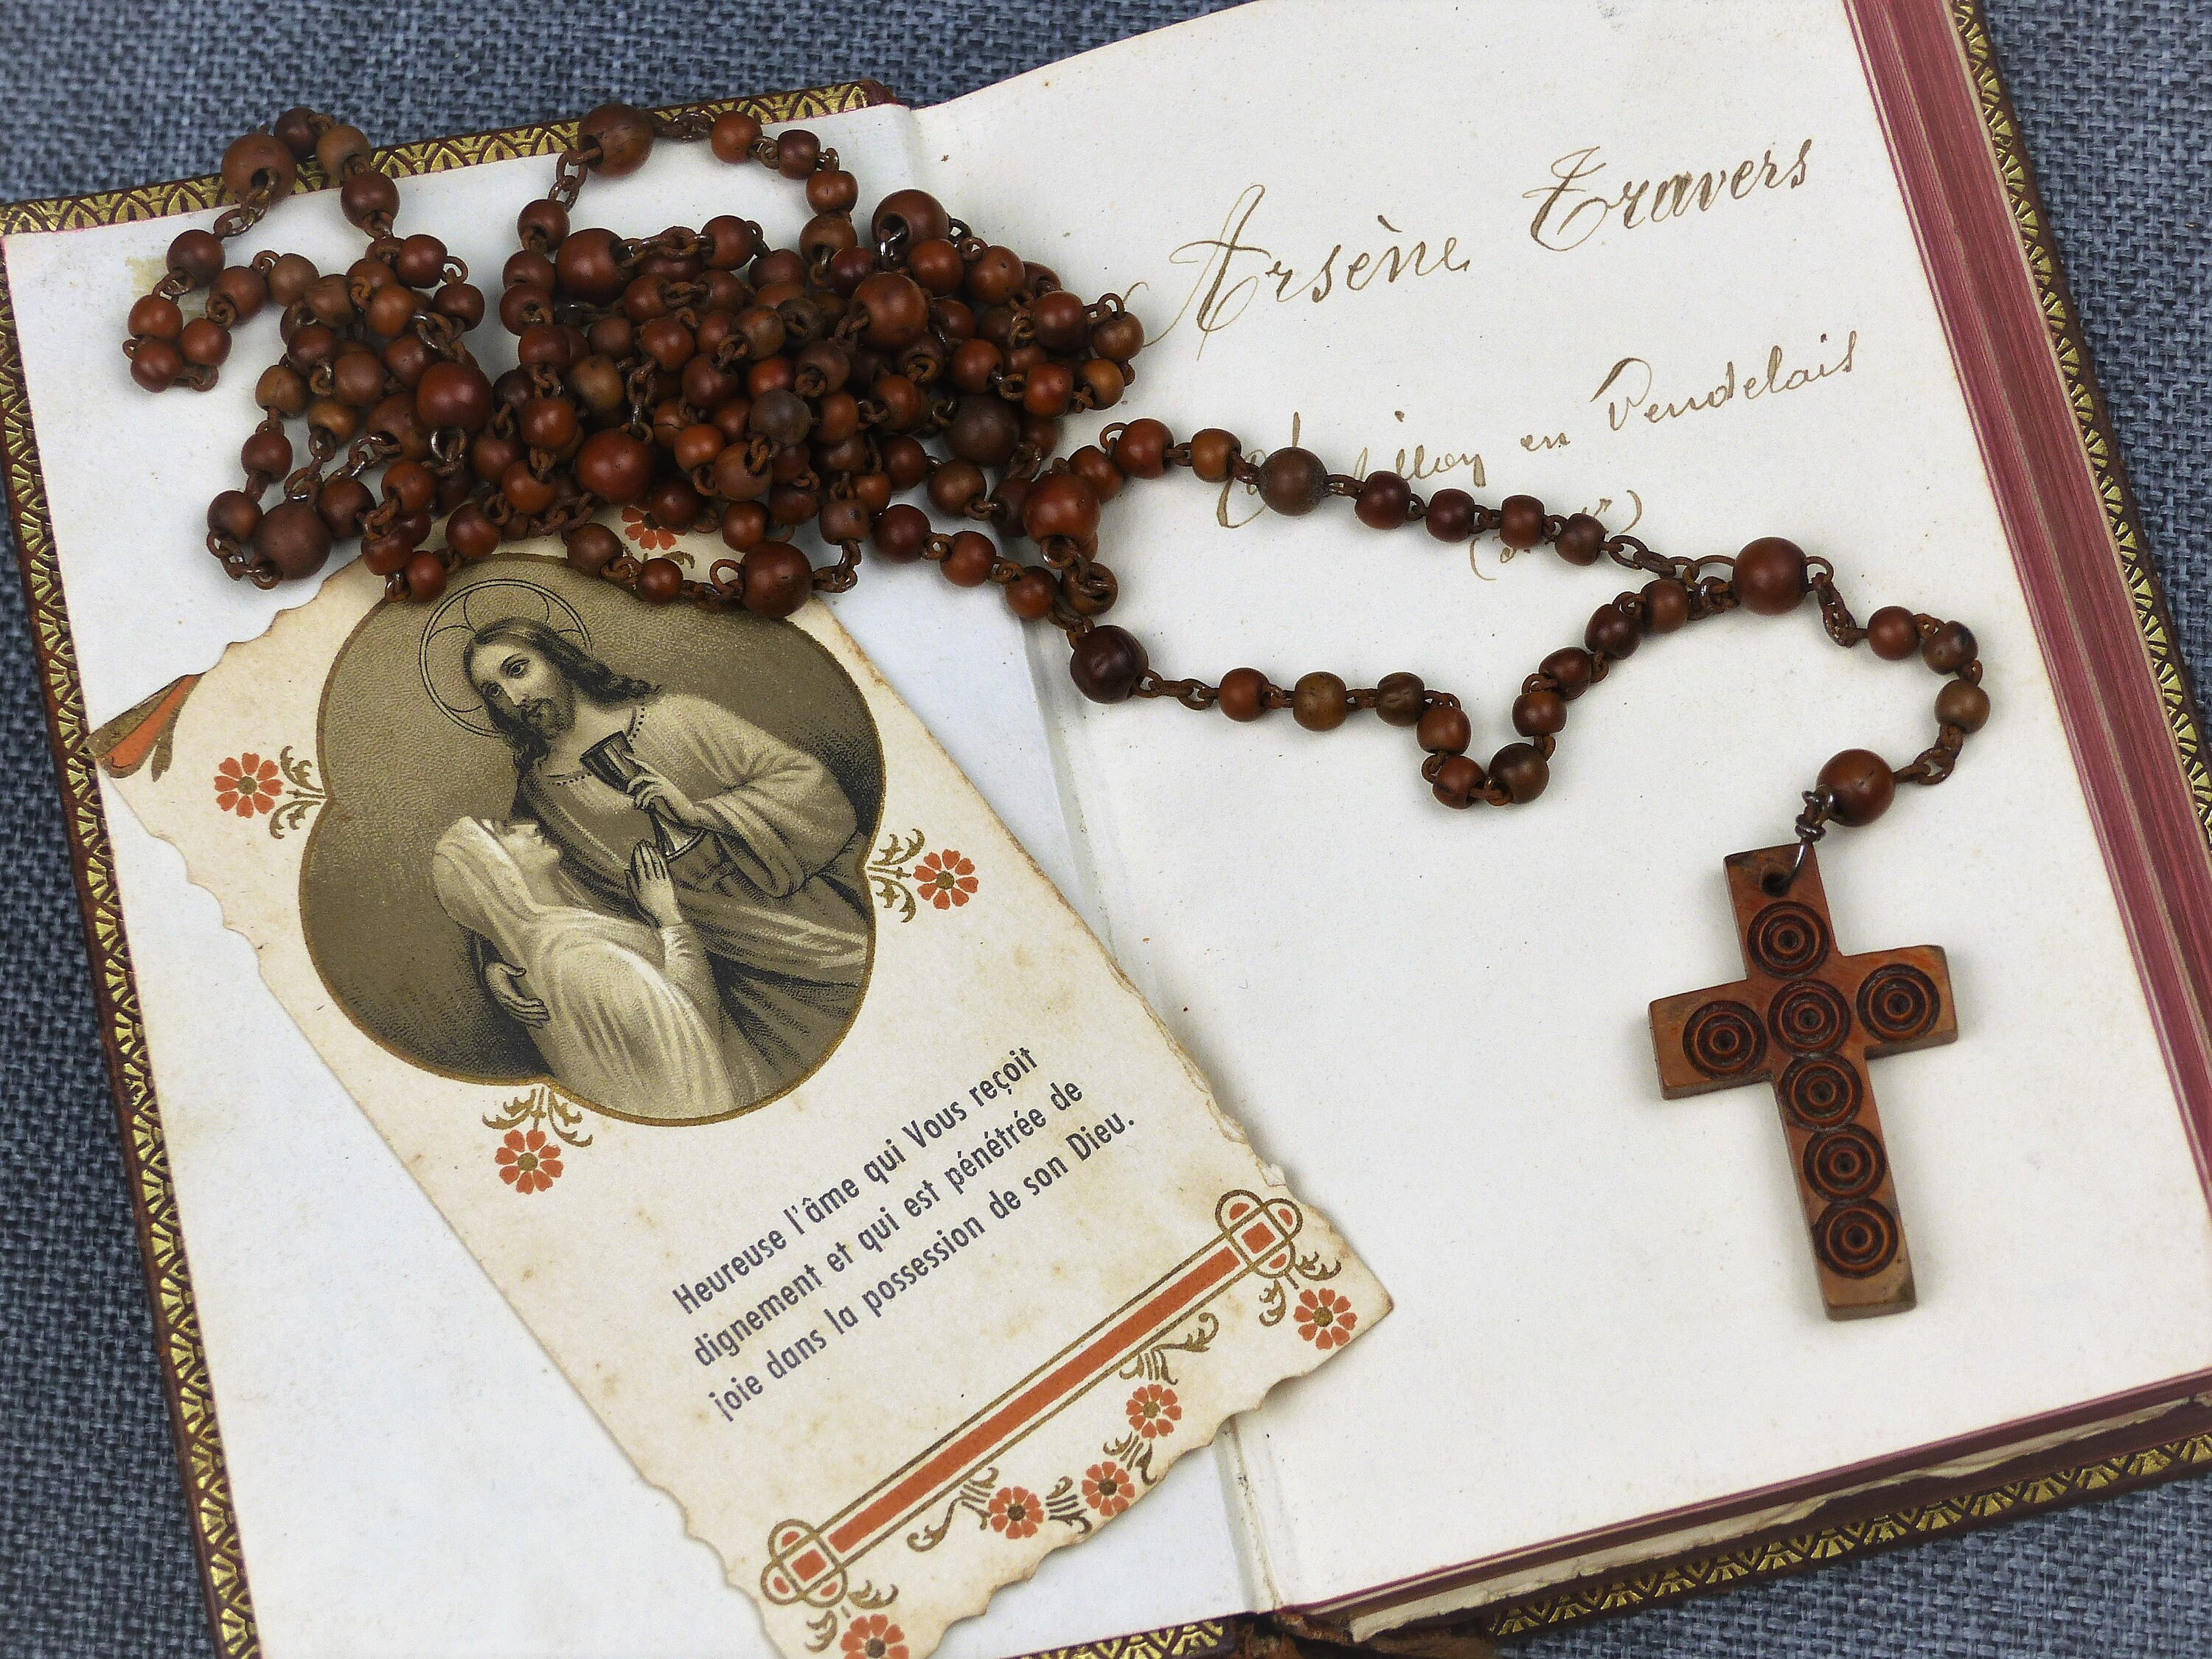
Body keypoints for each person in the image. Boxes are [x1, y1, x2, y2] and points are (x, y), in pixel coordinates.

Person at [463, 617, 869, 1095]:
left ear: (557, 659)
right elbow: (514, 884)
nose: (514, 700)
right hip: (731, 986)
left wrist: (705, 814)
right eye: (492, 692)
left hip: (819, 923)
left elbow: (811, 788)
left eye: (518, 670)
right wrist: (496, 959)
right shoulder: (540, 797)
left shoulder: (678, 718)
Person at [430, 818, 767, 1120]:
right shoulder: (581, 959)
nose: (528, 824)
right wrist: (669, 917)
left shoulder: (542, 946)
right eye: (504, 831)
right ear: (494, 872)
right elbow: (694, 1025)